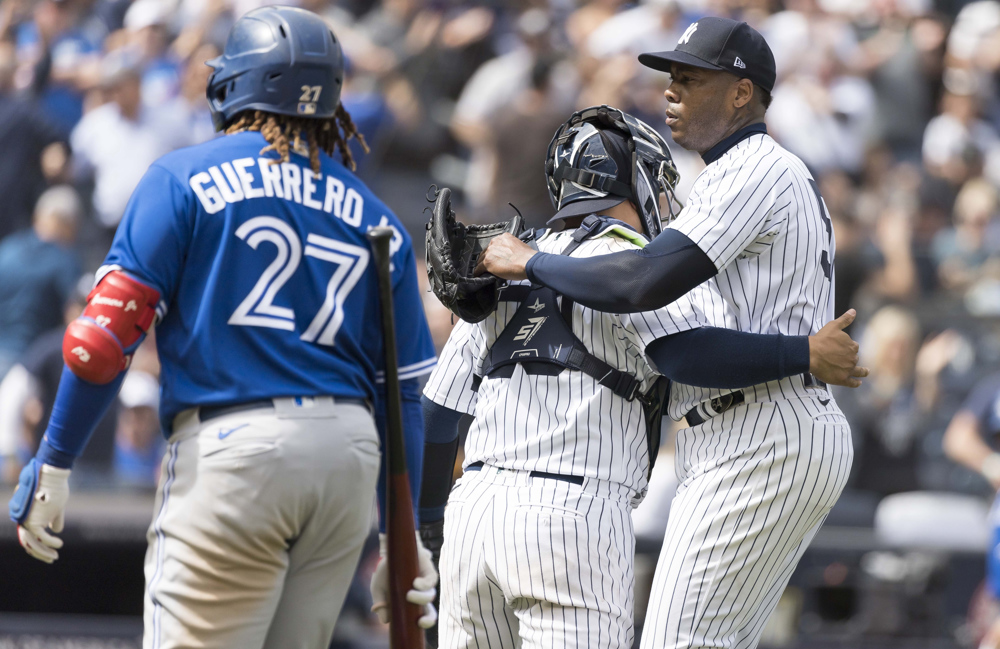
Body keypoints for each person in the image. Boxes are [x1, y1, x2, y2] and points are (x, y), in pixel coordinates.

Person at [8, 8, 438, 649]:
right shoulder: (376, 216)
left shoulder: (181, 175)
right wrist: (401, 536)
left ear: (232, 85)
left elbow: (102, 340)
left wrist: (55, 460)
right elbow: (404, 395)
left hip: (236, 453)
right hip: (346, 464)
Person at [478, 17, 865, 649]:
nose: (670, 91)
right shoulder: (728, 177)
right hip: (753, 426)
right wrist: (803, 354)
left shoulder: (756, 167)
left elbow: (644, 281)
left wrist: (534, 262)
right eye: (669, 77)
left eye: (689, 78)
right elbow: (682, 352)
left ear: (741, 92)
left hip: (763, 433)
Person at [0, 184, 81, 380]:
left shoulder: (6, 249)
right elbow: (75, 317)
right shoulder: (64, 260)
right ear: (68, 224)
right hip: (31, 371)